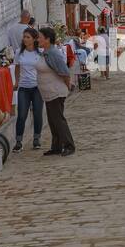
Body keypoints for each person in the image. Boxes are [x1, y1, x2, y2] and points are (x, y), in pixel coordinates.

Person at [35, 26, 75, 156]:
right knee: (52, 120)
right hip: (48, 92)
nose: (38, 39)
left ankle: (69, 145)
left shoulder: (53, 53)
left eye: (40, 37)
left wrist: (68, 86)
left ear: (47, 39)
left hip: (56, 91)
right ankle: (57, 146)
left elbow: (64, 72)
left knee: (58, 119)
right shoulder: (45, 52)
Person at [12, 28, 43, 151]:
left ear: (34, 39)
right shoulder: (19, 52)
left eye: (28, 37)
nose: (25, 39)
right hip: (24, 88)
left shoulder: (40, 52)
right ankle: (18, 141)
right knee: (21, 115)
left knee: (37, 113)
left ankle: (36, 139)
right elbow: (17, 68)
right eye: (24, 37)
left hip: (37, 87)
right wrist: (17, 81)